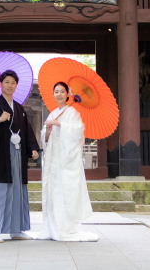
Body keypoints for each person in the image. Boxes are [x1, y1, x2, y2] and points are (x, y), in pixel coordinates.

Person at [0, 69, 40, 243]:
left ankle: (17, 229)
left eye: (13, 82)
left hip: (18, 154)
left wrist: (33, 148)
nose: (10, 85)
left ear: (16, 85)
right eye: (6, 82)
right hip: (0, 155)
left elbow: (27, 131)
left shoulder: (20, 108)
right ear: (0, 84)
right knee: (0, 190)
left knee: (18, 190)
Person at [37, 81, 98, 242]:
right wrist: (48, 132)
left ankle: (67, 226)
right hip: (54, 160)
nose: (59, 94)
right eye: (56, 91)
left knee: (67, 191)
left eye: (62, 91)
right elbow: (45, 139)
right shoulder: (52, 113)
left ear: (68, 94)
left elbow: (78, 132)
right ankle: (54, 225)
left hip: (67, 161)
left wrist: (60, 124)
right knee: (54, 190)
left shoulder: (72, 112)